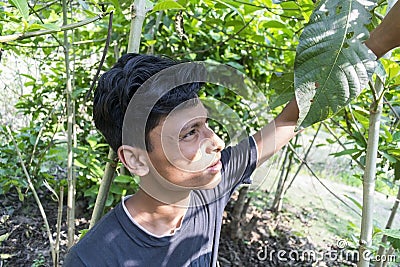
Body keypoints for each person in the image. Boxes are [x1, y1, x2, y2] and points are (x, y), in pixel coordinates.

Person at [64, 1, 400, 266]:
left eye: (206, 124)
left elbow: (287, 121)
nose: (216, 142)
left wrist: (378, 43)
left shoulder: (209, 185)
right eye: (189, 134)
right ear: (135, 159)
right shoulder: (93, 259)